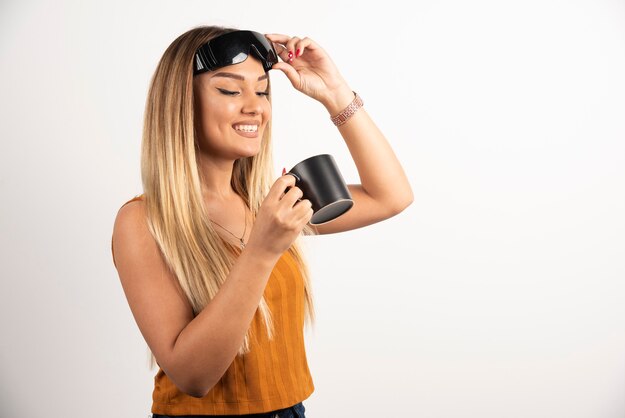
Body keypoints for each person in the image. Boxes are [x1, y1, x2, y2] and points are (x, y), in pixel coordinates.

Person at [111, 26, 413, 418]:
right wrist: (262, 250)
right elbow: (192, 376)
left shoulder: (268, 205)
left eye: (263, 90)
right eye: (231, 91)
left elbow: (391, 196)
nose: (255, 106)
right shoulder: (142, 221)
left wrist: (335, 94)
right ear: (181, 103)